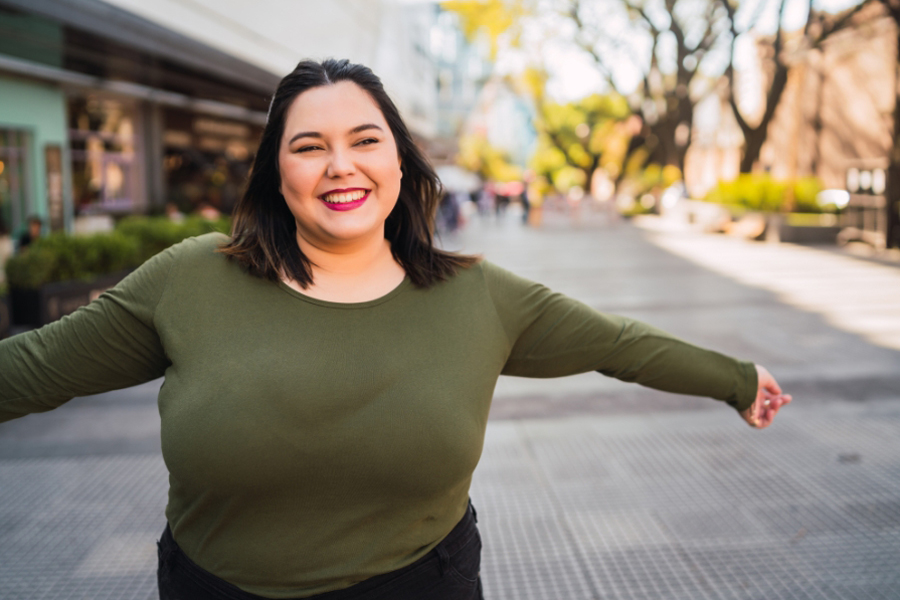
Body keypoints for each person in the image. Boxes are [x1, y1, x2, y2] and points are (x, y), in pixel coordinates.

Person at [0, 59, 790, 600]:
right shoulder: (190, 278)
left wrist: (734, 380)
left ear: (401, 163)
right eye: (309, 147)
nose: (340, 165)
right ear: (279, 174)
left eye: (364, 141)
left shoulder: (480, 297)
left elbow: (619, 344)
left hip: (423, 584)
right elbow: (32, 368)